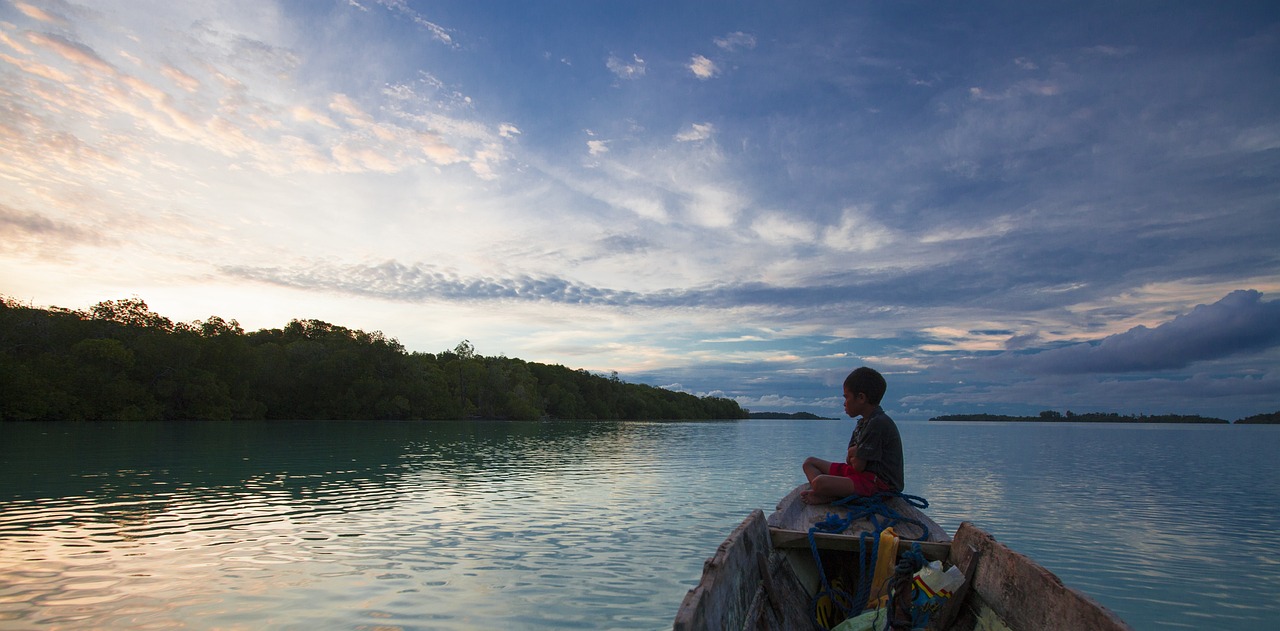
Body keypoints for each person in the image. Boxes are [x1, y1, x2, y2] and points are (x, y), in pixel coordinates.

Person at [800, 366, 904, 504]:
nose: (844, 403)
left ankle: (829, 493)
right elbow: (850, 461)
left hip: (880, 484)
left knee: (820, 482)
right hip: (860, 476)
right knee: (809, 463)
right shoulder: (863, 423)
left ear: (861, 398)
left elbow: (858, 465)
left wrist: (853, 452)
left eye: (846, 397)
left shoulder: (878, 423)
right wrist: (854, 452)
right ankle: (829, 492)